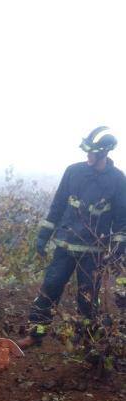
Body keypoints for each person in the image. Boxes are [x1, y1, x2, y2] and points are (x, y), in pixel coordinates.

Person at [20, 126, 126, 347]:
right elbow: (57, 206)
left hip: (93, 253)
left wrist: (117, 252)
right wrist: (43, 235)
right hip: (65, 246)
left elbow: (121, 219)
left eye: (92, 151)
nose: (88, 155)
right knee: (50, 288)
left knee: (88, 299)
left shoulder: (117, 180)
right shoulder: (73, 172)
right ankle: (36, 333)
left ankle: (88, 340)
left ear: (104, 152)